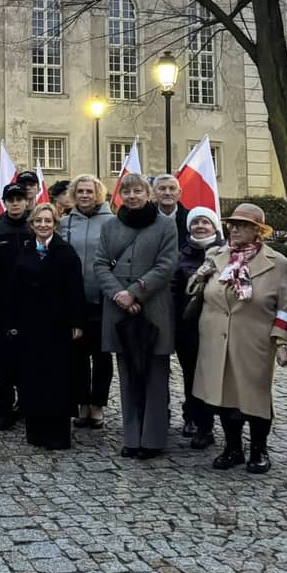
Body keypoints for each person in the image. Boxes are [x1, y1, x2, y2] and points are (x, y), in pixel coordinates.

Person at [190, 202, 287, 474]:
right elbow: (195, 292)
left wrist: (282, 341)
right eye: (232, 224)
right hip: (215, 337)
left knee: (255, 397)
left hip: (253, 339)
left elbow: (285, 306)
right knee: (223, 396)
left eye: (243, 225)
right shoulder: (217, 255)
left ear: (258, 230)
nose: (234, 229)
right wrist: (201, 276)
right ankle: (232, 447)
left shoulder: (277, 263)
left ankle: (259, 449)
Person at [95, 173, 178, 459]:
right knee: (128, 374)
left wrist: (135, 292)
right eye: (127, 191)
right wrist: (119, 294)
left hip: (153, 308)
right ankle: (132, 437)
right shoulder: (110, 226)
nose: (132, 196)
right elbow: (101, 263)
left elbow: (167, 265)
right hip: (119, 308)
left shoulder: (166, 225)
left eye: (138, 191)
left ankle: (153, 439)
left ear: (148, 194)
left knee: (155, 375)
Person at [11, 203, 85, 450]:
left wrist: (77, 322)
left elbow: (75, 289)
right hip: (31, 324)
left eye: (48, 221)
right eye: (38, 221)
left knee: (57, 379)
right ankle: (36, 431)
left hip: (58, 324)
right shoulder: (25, 251)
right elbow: (16, 288)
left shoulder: (66, 252)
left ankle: (57, 433)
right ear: (32, 225)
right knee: (33, 378)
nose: (43, 225)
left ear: (55, 224)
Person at [59, 174, 115, 430]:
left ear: (98, 194)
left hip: (103, 299)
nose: (84, 195)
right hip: (75, 300)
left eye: (89, 191)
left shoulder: (112, 222)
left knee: (102, 356)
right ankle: (81, 403)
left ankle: (97, 405)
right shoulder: (65, 222)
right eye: (79, 191)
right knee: (77, 356)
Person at [170, 206, 223, 446]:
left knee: (217, 376)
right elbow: (172, 291)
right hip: (189, 328)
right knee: (192, 376)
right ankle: (199, 422)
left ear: (214, 226)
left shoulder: (227, 254)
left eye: (205, 222)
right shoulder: (181, 256)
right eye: (195, 223)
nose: (200, 226)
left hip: (219, 327)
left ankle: (226, 422)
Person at [0, 181, 34, 429]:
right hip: (0, 307)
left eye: (19, 199)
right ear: (4, 202)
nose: (15, 204)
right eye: (10, 200)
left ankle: (27, 405)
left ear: (26, 202)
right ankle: (4, 408)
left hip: (30, 305)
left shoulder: (34, 229)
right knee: (2, 361)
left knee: (28, 359)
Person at [152, 174, 190, 249]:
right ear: (154, 193)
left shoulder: (191, 219)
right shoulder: (145, 218)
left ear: (179, 193)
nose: (167, 193)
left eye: (172, 188)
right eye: (162, 189)